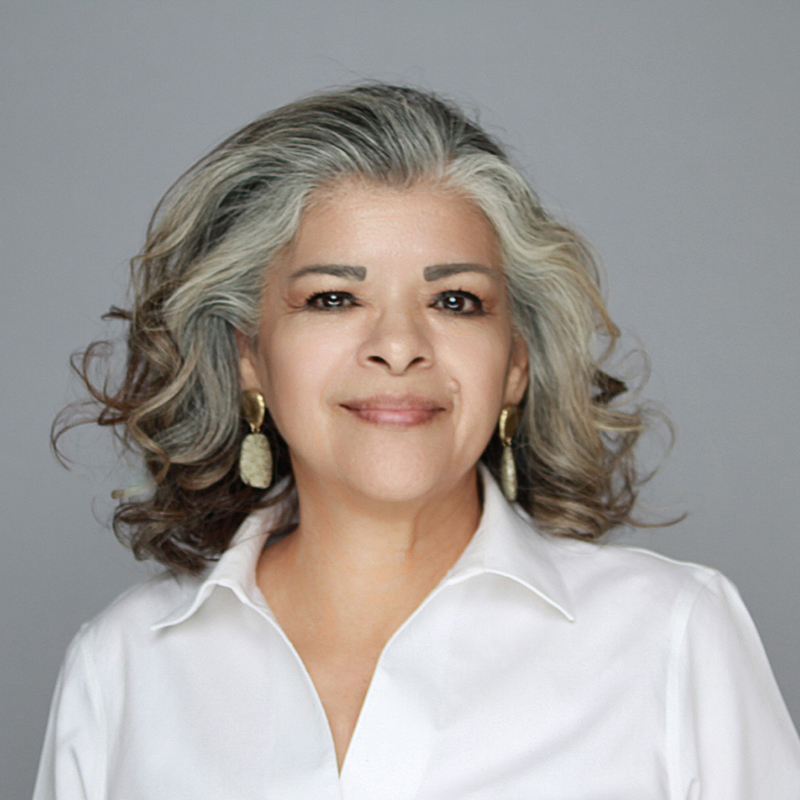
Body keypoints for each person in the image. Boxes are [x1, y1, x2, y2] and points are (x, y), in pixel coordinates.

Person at [35, 85, 800, 799]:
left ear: (515, 365)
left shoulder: (672, 638)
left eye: (456, 300)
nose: (399, 344)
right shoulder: (123, 665)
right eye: (333, 297)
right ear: (249, 357)